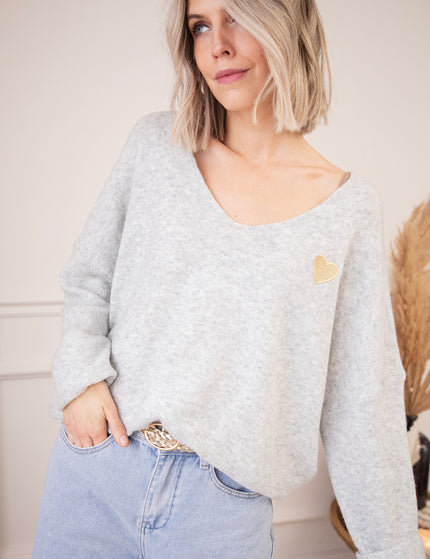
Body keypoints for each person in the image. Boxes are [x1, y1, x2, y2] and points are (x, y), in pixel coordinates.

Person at [32, 0, 426, 558]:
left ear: (285, 23)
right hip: (97, 472)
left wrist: (392, 549)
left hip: (219, 515)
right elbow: (89, 277)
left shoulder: (347, 210)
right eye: (200, 26)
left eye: (236, 17)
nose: (217, 45)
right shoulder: (156, 147)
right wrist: (80, 380)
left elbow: (361, 399)